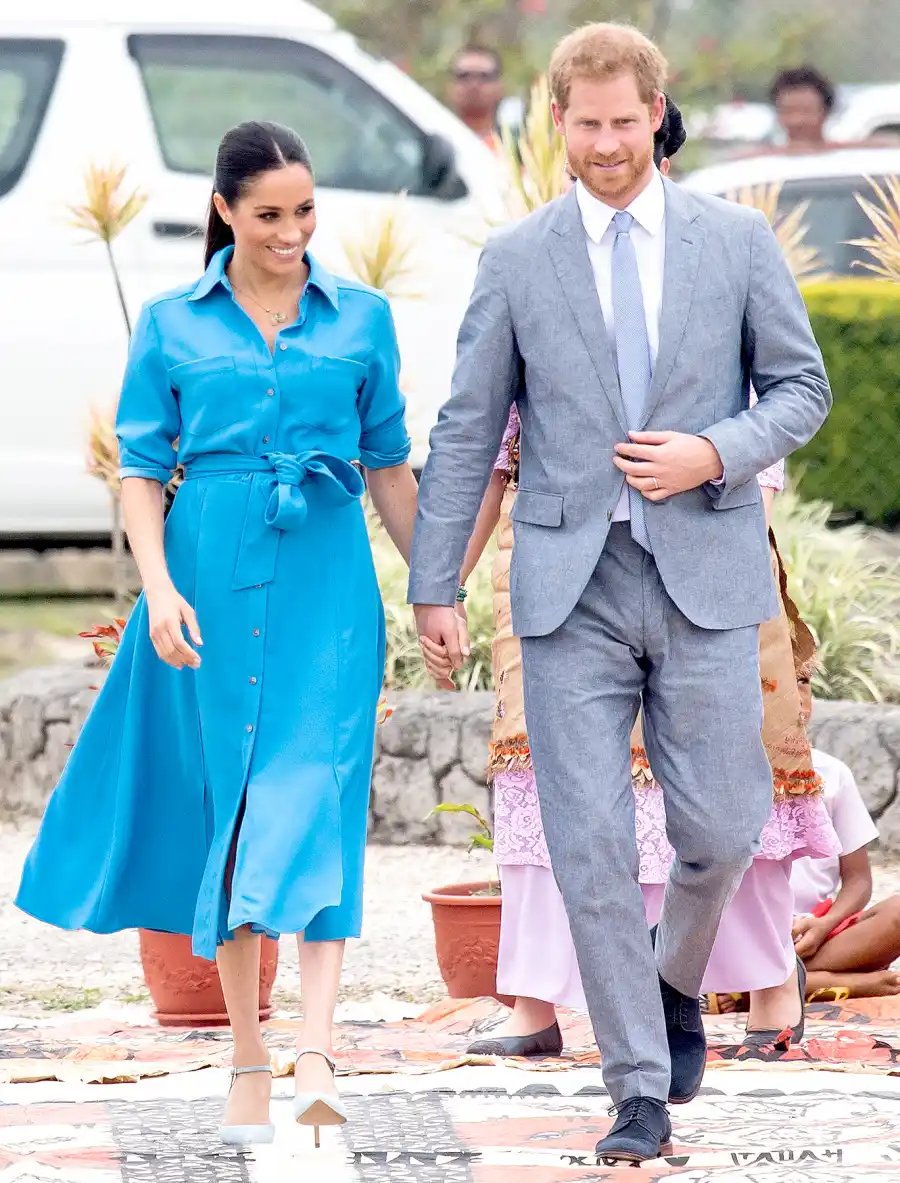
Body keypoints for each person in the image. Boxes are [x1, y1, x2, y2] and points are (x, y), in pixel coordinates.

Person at [409, 22, 831, 1165]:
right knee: (589, 843)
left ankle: (669, 978)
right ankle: (636, 1085)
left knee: (724, 826)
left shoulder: (735, 242)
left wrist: (714, 450)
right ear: (559, 121)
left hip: (702, 568)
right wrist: (435, 578)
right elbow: (465, 426)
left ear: (656, 113)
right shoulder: (516, 258)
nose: (605, 144)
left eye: (622, 122)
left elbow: (801, 389)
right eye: (584, 124)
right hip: (565, 586)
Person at [16, 121, 417, 1149]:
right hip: (205, 577)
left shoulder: (363, 318)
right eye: (271, 214)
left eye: (306, 211)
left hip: (330, 578)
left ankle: (319, 1052)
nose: (293, 232)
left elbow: (389, 468)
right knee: (230, 812)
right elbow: (142, 470)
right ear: (227, 212)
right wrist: (157, 589)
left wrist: (438, 588)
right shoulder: (170, 323)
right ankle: (248, 1048)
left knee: (317, 799)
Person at [791, 673, 900, 1000]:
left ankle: (764, 987)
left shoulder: (832, 774)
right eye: (777, 680)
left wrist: (825, 925)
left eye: (803, 681)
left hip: (813, 938)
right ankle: (848, 983)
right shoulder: (724, 774)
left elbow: (858, 881)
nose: (796, 694)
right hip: (741, 936)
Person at [448, 45, 506, 147]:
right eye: (464, 76)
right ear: (450, 87)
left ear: (499, 87)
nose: (474, 85)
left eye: (484, 77)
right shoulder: (433, 145)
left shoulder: (514, 149)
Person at [769, 66, 835, 152]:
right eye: (788, 111)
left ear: (825, 113)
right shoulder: (762, 161)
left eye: (806, 111)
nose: (797, 120)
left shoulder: (847, 158)